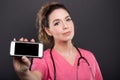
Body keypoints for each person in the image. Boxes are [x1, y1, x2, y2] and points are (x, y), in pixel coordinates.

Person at [13, 1, 103, 80]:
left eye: (67, 19)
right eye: (57, 23)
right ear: (48, 31)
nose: (65, 26)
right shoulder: (43, 59)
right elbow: (35, 77)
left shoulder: (89, 57)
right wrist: (23, 72)